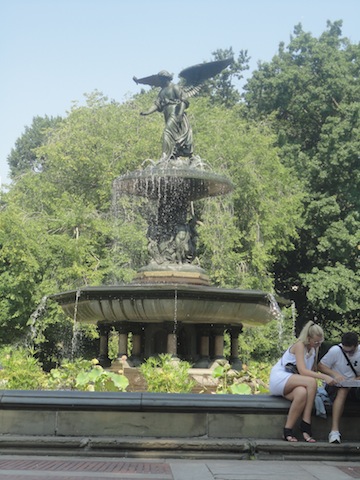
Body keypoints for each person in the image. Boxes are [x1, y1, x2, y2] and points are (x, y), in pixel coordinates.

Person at [269, 321, 335, 442]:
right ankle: (306, 422)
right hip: (281, 377)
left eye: (320, 342)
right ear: (308, 338)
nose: (317, 344)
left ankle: (287, 430)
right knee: (311, 382)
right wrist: (324, 377)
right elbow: (303, 371)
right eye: (316, 342)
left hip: (294, 381)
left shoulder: (313, 349)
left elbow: (312, 370)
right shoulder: (300, 345)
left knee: (301, 393)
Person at [140, 71, 194, 162]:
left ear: (165, 78)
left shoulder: (174, 87)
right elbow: (157, 104)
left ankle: (165, 156)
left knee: (167, 132)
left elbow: (184, 101)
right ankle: (173, 154)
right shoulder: (162, 91)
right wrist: (147, 112)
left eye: (160, 79)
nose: (159, 81)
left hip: (175, 112)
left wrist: (180, 114)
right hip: (167, 114)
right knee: (173, 135)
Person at [318, 332, 360, 444]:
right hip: (335, 385)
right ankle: (334, 431)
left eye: (350, 351)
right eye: (345, 351)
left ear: (356, 346)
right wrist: (334, 374)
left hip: (355, 385)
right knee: (343, 390)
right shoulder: (335, 351)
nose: (348, 353)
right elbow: (321, 366)